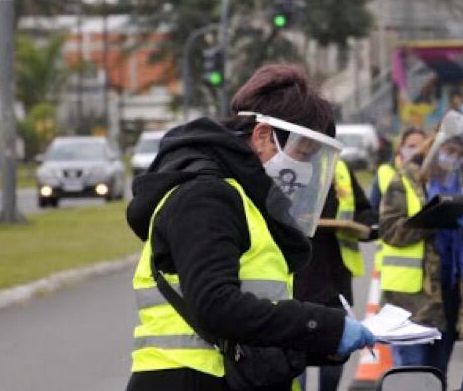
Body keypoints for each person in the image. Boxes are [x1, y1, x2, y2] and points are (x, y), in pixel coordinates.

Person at [125, 64, 375, 391]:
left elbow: (257, 320)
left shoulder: (251, 201)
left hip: (233, 376)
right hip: (190, 379)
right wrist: (321, 325)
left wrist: (324, 341)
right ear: (262, 137)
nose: (307, 171)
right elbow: (216, 305)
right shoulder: (205, 197)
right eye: (303, 153)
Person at [378, 114, 463, 376]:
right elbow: (388, 231)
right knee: (412, 373)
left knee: (437, 374)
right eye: (449, 150)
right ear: (435, 145)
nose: (453, 157)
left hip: (452, 295)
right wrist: (429, 220)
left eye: (460, 153)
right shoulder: (406, 180)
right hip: (412, 301)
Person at [294, 151, 378, 391]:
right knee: (293, 365)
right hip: (294, 284)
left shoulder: (339, 170)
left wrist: (367, 226)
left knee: (332, 363)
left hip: (334, 283)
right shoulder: (284, 169)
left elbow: (365, 212)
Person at [369, 127, 426, 211]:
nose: (417, 151)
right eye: (411, 146)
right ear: (401, 148)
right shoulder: (386, 172)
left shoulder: (429, 173)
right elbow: (374, 208)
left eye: (421, 146)